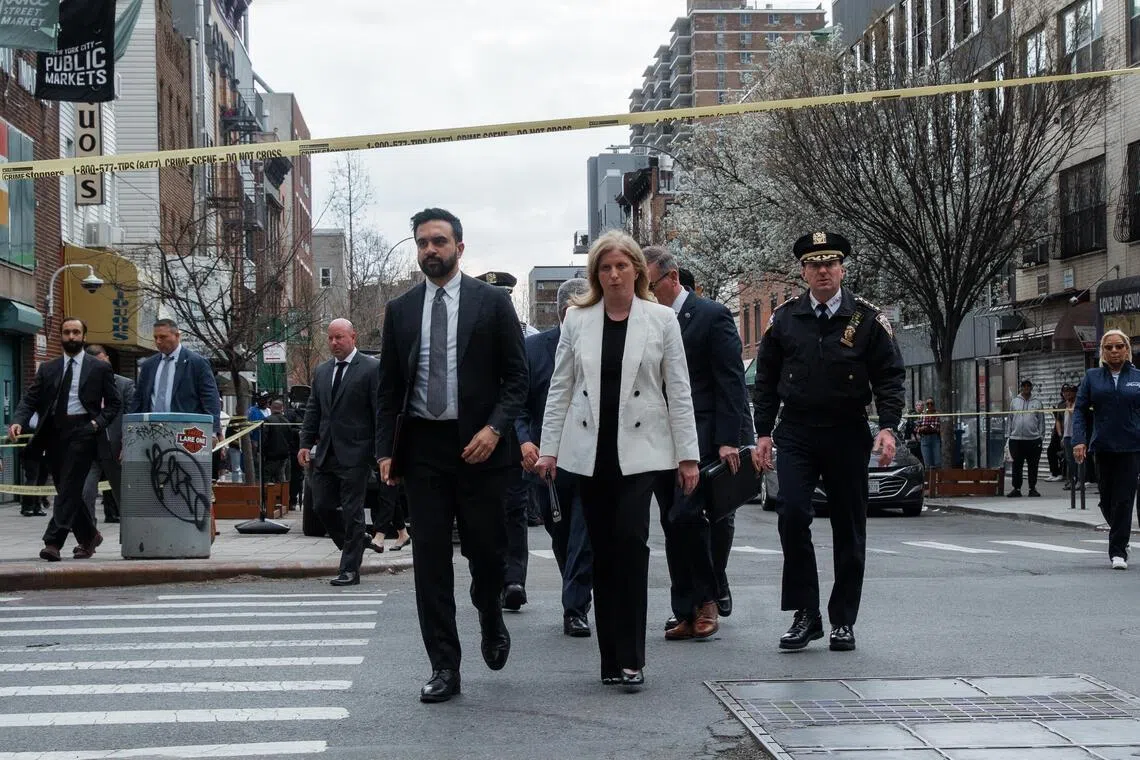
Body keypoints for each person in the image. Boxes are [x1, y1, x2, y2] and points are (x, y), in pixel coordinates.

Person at [536, 230, 700, 691]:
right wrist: (549, 449)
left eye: (621, 266)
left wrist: (688, 456)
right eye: (605, 268)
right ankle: (611, 658)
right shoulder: (577, 321)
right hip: (589, 452)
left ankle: (631, 657)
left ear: (637, 271)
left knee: (631, 545)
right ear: (595, 275)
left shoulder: (662, 320)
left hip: (642, 451)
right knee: (602, 552)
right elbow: (560, 389)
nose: (613, 275)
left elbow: (679, 390)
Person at [377, 208, 528, 704]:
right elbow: (389, 388)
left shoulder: (492, 304)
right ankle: (444, 665)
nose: (429, 251)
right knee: (430, 563)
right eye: (421, 243)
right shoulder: (400, 310)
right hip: (424, 451)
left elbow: (516, 378)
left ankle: (489, 613)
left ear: (459, 248)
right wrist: (385, 452)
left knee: (487, 556)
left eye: (438, 241)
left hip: (481, 451)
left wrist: (494, 429)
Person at [750, 231, 904, 653]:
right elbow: (765, 382)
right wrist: (762, 433)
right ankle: (806, 614)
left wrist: (888, 426)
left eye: (830, 263)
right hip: (797, 431)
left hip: (847, 430)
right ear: (803, 271)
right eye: (814, 264)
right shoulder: (784, 319)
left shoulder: (866, 319)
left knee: (849, 526)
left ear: (842, 268)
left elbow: (890, 377)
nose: (822, 270)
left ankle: (843, 621)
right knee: (793, 515)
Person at [643, 246, 753, 641]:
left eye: (651, 284)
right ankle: (685, 611)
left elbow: (730, 382)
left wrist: (729, 440)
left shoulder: (711, 316)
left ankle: (708, 598)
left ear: (672, 278)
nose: (648, 291)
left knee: (686, 518)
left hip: (703, 438)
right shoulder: (649, 320)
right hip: (660, 440)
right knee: (671, 525)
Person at [517, 277, 594, 638]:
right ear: (565, 312)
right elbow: (516, 404)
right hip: (546, 462)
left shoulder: (598, 342)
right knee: (560, 531)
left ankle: (575, 608)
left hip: (591, 456)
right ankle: (575, 588)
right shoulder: (534, 349)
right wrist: (523, 442)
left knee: (583, 531)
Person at [9, 318, 122, 561]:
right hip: (54, 433)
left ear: (83, 336)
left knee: (69, 485)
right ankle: (89, 535)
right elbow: (30, 398)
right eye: (67, 332)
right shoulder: (48, 368)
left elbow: (114, 404)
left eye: (76, 332)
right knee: (65, 488)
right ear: (61, 335)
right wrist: (18, 420)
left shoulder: (99, 368)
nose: (71, 336)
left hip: (83, 431)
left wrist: (96, 424)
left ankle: (53, 542)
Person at [299, 319, 382, 587]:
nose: (334, 343)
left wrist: (381, 453)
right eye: (331, 338)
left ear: (352, 337)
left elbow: (379, 413)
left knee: (352, 510)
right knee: (321, 504)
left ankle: (349, 569)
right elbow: (314, 410)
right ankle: (359, 541)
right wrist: (304, 442)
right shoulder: (322, 371)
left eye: (339, 338)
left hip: (357, 453)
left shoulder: (371, 369)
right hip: (325, 452)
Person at [475, 270, 532, 611]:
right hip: (476, 438)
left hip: (510, 438)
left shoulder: (526, 337)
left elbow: (526, 389)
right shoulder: (472, 333)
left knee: (514, 511)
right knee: (483, 513)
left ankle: (514, 580)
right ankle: (490, 577)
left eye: (505, 296)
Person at [1073, 329, 1140, 571]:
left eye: (1119, 347)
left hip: (1131, 447)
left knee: (1124, 499)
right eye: (1109, 347)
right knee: (1106, 500)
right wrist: (1079, 441)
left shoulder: (1137, 377)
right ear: (1102, 350)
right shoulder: (1092, 377)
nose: (1114, 351)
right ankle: (1119, 532)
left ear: (1126, 349)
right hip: (1102, 446)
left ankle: (1118, 551)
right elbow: (1080, 410)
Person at [130, 319, 222, 440]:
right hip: (150, 433)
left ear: (177, 336)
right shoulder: (149, 365)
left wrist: (213, 432)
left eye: (163, 337)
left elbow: (210, 398)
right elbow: (138, 399)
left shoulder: (196, 363)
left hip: (186, 433)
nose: (158, 341)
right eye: (155, 337)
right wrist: (130, 431)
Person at [80, 345, 135, 525]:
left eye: (103, 362)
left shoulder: (124, 385)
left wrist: (128, 445)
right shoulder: (82, 386)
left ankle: (130, 533)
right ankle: (89, 534)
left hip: (116, 449)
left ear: (108, 360)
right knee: (85, 491)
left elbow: (131, 418)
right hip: (90, 449)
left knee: (122, 495)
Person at [1007, 379, 1045, 498]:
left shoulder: (1037, 402)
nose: (1026, 388)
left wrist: (1040, 437)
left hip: (1033, 439)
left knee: (1033, 465)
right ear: (1021, 387)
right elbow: (1010, 419)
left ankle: (1032, 488)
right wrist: (1009, 436)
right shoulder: (1014, 402)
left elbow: (1041, 421)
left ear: (1031, 388)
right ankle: (1016, 489)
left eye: (1029, 386)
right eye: (1024, 386)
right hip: (1016, 439)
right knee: (1016, 465)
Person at [261, 398, 293, 495]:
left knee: (267, 477)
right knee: (281, 477)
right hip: (283, 455)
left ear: (271, 408)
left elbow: (264, 438)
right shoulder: (286, 422)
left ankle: (268, 499)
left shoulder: (268, 420)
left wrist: (262, 451)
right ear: (282, 408)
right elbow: (290, 438)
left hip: (271, 455)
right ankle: (280, 498)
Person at [1060, 384, 1078, 490]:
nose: (1067, 393)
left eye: (1070, 391)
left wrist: (1069, 407)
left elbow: (1076, 416)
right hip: (1067, 436)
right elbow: (1065, 422)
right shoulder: (1065, 405)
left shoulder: (1077, 403)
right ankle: (1071, 481)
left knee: (1077, 460)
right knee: (1069, 460)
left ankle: (1079, 481)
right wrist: (1063, 436)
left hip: (1076, 436)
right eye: (1066, 391)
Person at [916, 398, 941, 470]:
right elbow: (917, 428)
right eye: (928, 404)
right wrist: (921, 429)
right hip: (924, 438)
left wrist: (928, 428)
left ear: (934, 405)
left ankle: (937, 480)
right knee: (927, 463)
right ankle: (929, 480)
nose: (929, 405)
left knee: (937, 462)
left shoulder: (937, 414)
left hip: (934, 439)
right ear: (926, 405)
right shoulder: (922, 415)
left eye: (931, 404)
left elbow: (938, 428)